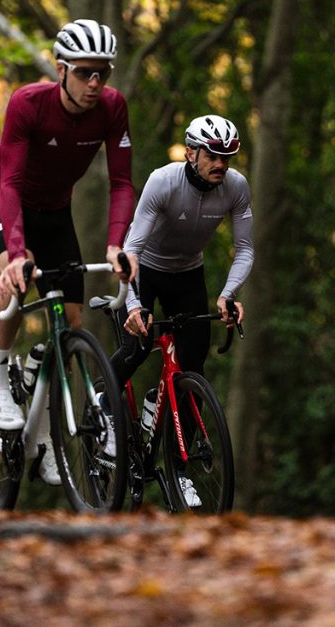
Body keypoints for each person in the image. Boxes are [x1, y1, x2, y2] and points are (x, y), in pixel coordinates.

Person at [0, 19, 137, 485]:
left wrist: (116, 243)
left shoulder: (111, 107)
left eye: (102, 73)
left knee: (72, 325)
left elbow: (122, 183)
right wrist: (17, 252)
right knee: (14, 284)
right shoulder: (29, 103)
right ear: (61, 68)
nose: (95, 83)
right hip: (5, 200)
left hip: (56, 211)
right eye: (85, 72)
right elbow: (10, 182)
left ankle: (44, 439)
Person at [105, 114, 253, 507]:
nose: (221, 163)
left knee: (193, 367)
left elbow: (246, 248)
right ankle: (104, 410)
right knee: (138, 347)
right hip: (144, 270)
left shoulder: (235, 187)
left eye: (228, 156)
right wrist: (134, 304)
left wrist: (227, 294)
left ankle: (180, 471)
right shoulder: (163, 181)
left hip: (188, 274)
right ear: (191, 152)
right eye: (213, 155)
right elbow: (131, 250)